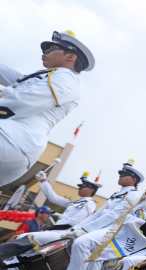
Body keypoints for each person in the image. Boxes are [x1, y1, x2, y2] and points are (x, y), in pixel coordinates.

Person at [0, 173, 100, 270]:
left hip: (64, 234)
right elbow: (53, 197)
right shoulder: (74, 203)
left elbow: (78, 221)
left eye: (83, 186)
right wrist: (43, 181)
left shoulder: (89, 203)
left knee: (26, 238)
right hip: (54, 232)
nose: (79, 188)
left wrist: (62, 219)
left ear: (91, 189)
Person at [0, 30, 94, 187]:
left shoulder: (66, 79)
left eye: (50, 49)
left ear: (70, 57)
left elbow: (22, 100)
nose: (44, 53)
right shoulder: (49, 76)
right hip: (14, 141)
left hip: (15, 140)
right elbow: (15, 79)